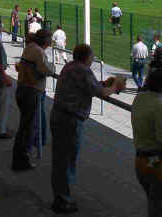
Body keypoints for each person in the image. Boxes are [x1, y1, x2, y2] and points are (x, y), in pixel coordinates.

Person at [50, 44, 125, 213]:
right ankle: (63, 201)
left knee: (60, 160)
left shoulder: (70, 66)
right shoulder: (83, 70)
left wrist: (104, 83)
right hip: (70, 120)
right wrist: (115, 86)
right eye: (92, 56)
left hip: (59, 115)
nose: (93, 59)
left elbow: (89, 87)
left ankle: (59, 197)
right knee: (67, 161)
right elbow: (102, 93)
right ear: (87, 57)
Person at [131, 68, 162, 217]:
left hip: (142, 162)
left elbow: (148, 117)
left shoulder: (139, 98)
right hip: (159, 164)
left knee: (156, 207)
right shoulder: (160, 106)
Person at [13, 29, 57, 170]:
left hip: (22, 88)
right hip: (31, 91)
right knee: (28, 127)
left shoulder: (30, 47)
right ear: (46, 41)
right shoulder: (39, 52)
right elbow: (47, 70)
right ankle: (21, 159)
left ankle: (20, 155)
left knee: (25, 126)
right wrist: (53, 67)